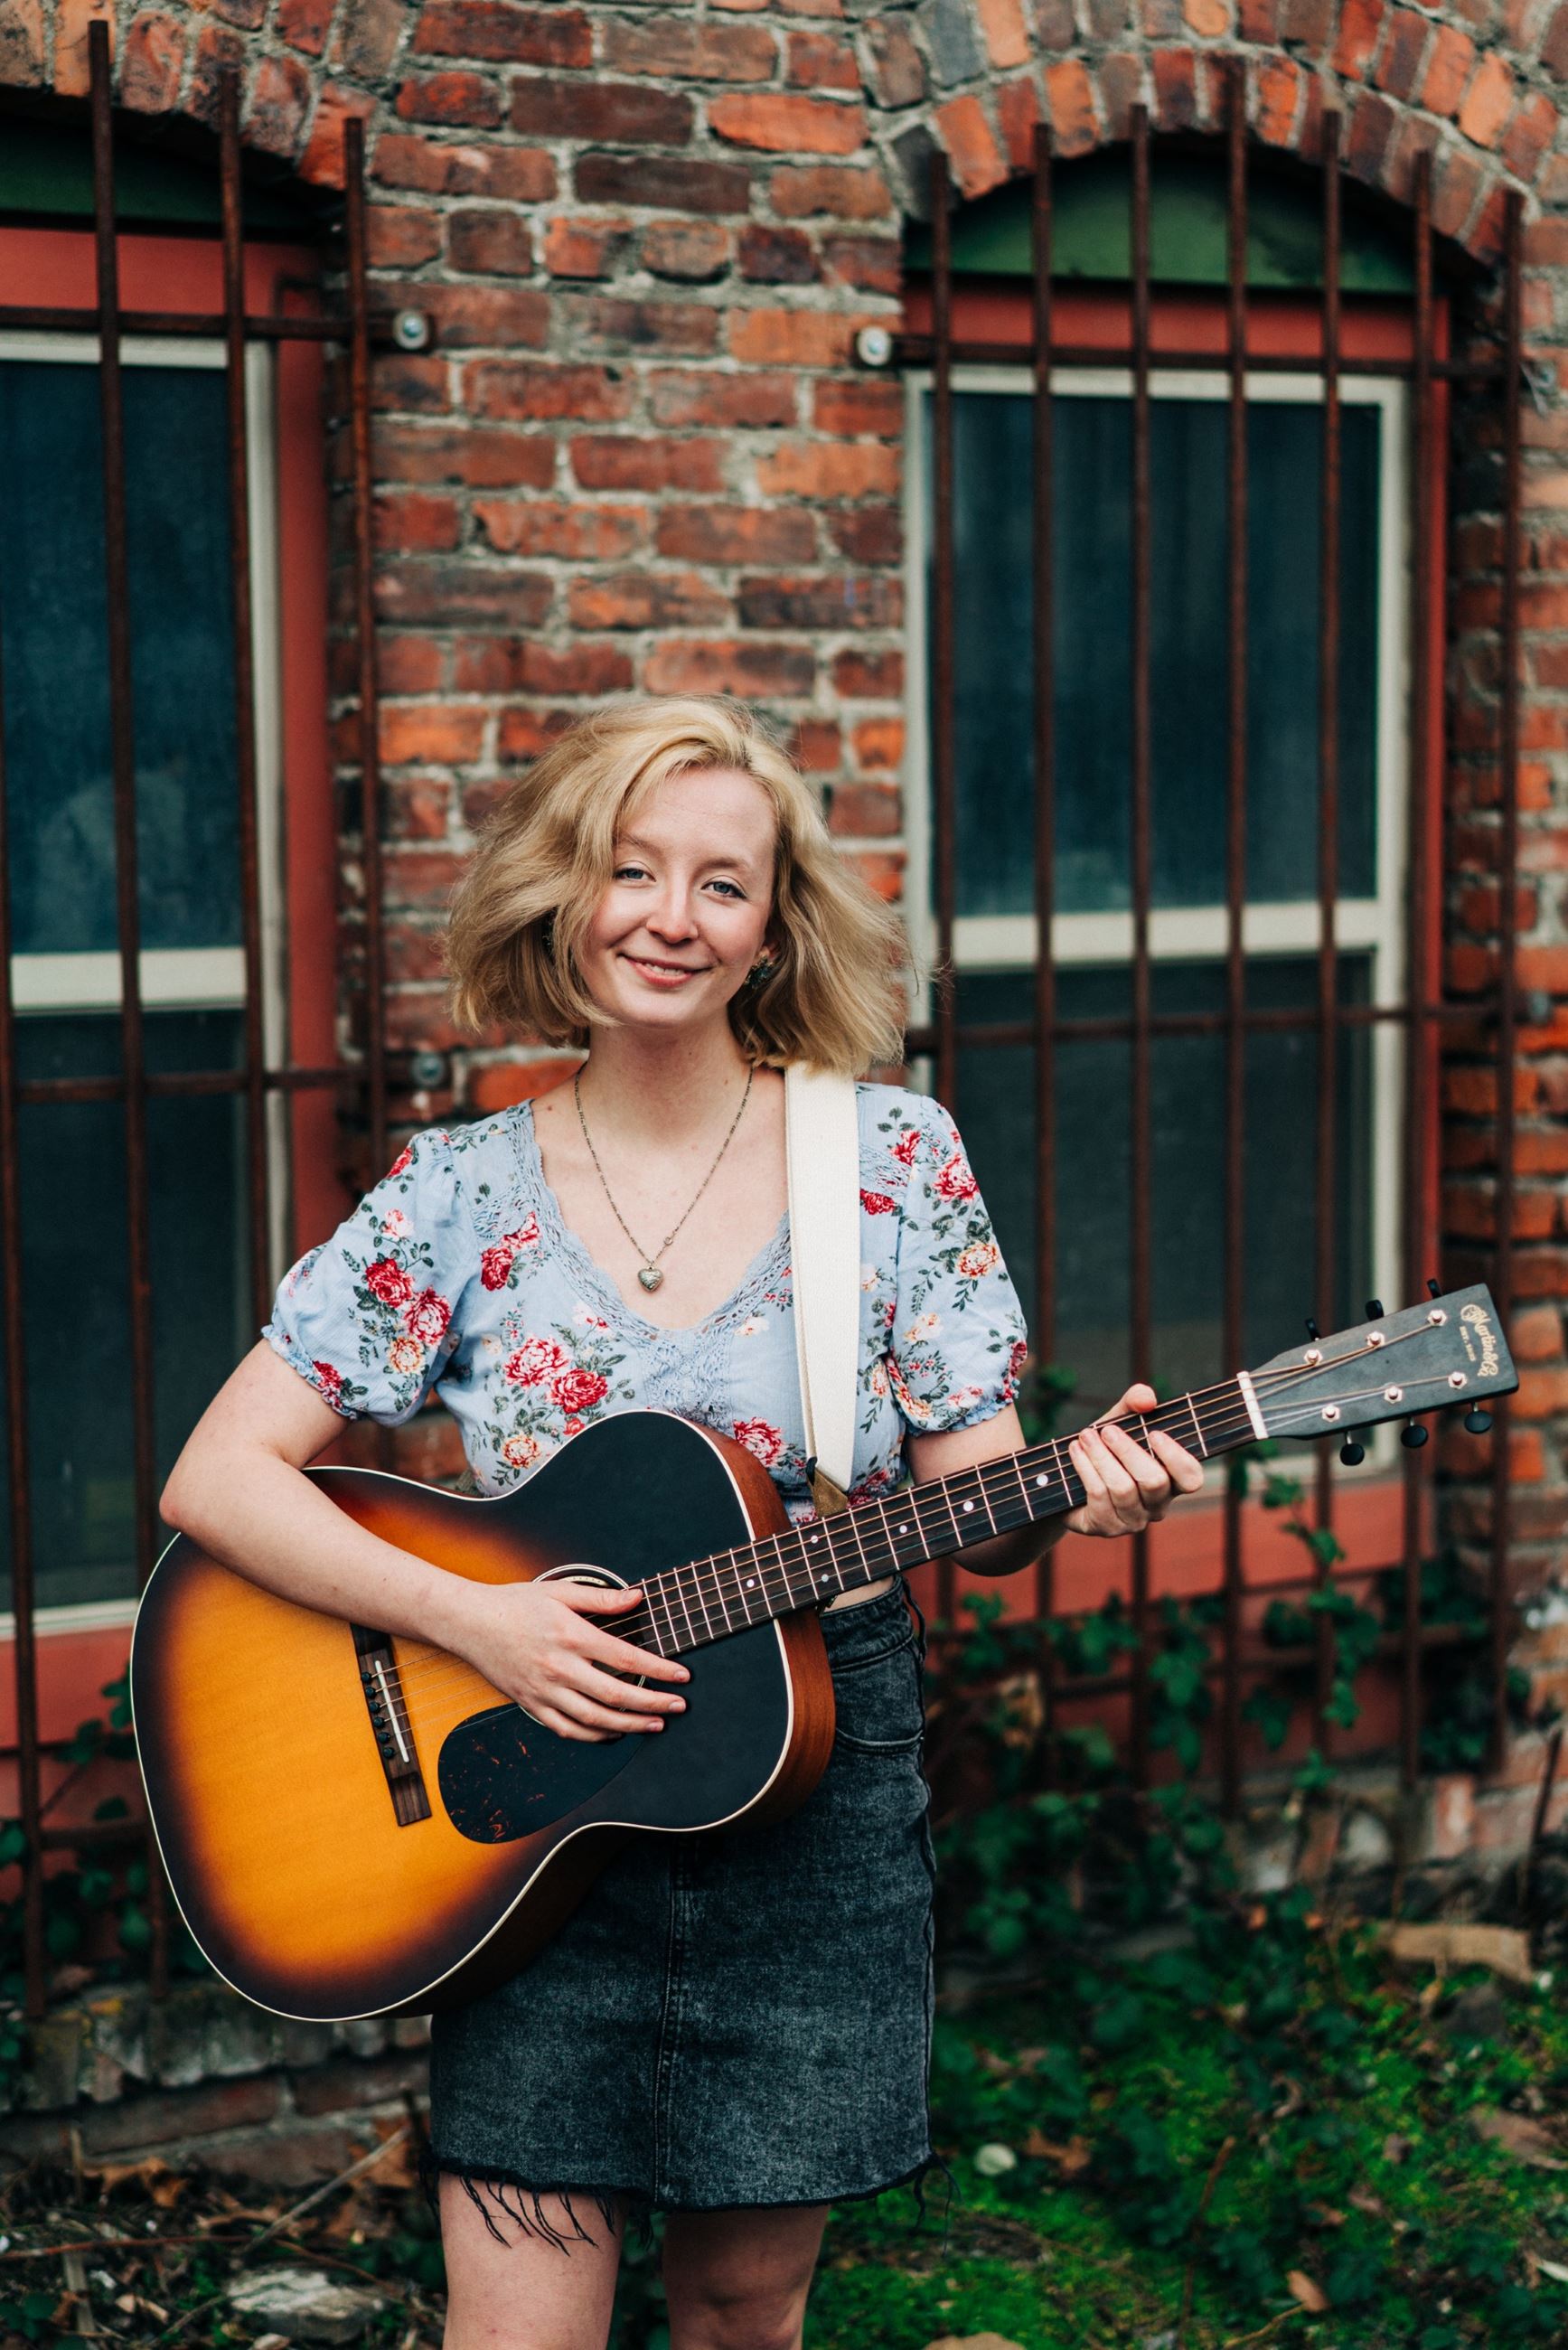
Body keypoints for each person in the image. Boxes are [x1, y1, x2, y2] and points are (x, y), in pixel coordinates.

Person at [160, 696, 1205, 2350]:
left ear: (775, 923)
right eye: (629, 869)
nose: (671, 916)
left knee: (740, 2316)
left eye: (724, 883)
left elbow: (971, 1503)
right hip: (525, 1797)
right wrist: (478, 1619)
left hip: (813, 1795)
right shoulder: (460, 1192)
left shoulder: (887, 1161)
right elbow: (215, 1480)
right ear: (559, 895)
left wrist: (1082, 1493)